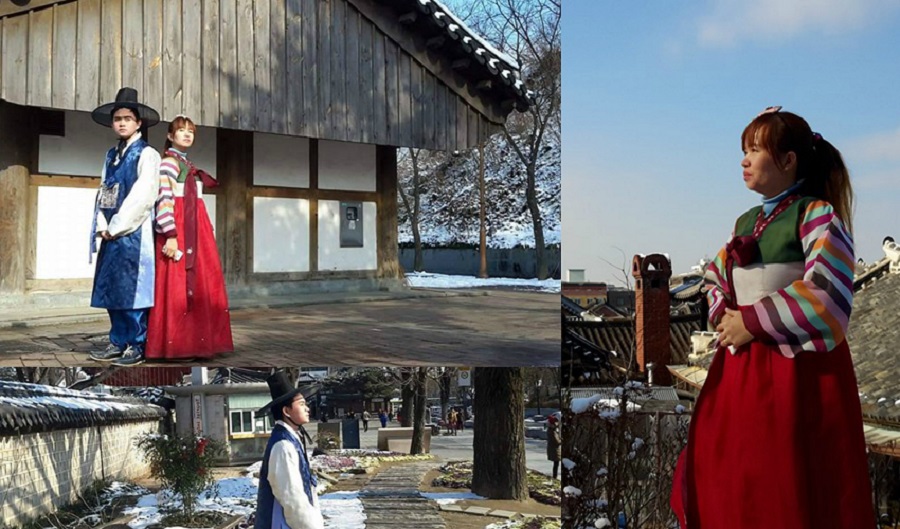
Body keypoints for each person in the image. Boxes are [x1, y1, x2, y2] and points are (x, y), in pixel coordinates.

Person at [671, 107, 875, 528]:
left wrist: (752, 321)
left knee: (788, 478)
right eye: (744, 150)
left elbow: (828, 291)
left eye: (756, 150)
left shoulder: (817, 215)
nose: (744, 160)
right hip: (740, 366)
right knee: (730, 469)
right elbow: (715, 275)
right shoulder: (746, 222)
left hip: (797, 372)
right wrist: (727, 316)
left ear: (788, 160)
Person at [140, 115, 233, 365]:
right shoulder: (169, 163)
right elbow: (164, 198)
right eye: (181, 131)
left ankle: (198, 342)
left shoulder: (187, 164)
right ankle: (176, 344)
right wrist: (170, 234)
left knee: (202, 282)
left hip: (196, 226)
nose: (187, 135)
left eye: (190, 131)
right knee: (177, 283)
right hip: (180, 226)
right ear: (170, 136)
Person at [88, 88, 161, 366]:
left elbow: (143, 196)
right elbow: (105, 190)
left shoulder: (147, 154)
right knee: (111, 288)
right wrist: (103, 224)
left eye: (127, 118)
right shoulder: (111, 155)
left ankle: (137, 343)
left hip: (134, 232)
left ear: (138, 122)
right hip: (111, 231)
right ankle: (117, 340)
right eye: (117, 118)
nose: (121, 123)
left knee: (134, 289)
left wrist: (117, 225)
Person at [256, 372, 324, 529]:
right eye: (301, 404)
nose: (307, 409)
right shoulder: (283, 445)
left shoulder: (291, 438)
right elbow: (292, 497)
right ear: (286, 411)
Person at [546, 414, 561, 480]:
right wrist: (561, 440)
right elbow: (557, 441)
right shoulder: (552, 432)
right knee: (556, 463)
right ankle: (555, 476)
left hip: (553, 449)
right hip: (554, 450)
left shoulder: (551, 430)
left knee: (556, 463)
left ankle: (555, 476)